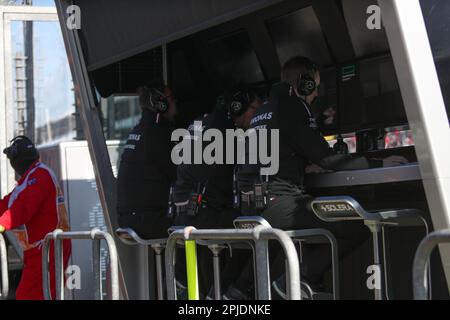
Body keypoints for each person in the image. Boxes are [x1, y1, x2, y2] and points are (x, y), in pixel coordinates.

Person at [230, 56, 407, 299]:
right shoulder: (293, 106)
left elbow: (280, 152)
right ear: (304, 85)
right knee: (359, 225)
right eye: (314, 86)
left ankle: (242, 290)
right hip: (277, 205)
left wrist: (303, 166)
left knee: (316, 223)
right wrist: (379, 162)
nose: (315, 94)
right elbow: (329, 159)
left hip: (252, 206)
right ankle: (298, 279)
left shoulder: (264, 110)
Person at [171, 87, 263, 296]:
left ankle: (216, 292)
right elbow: (249, 168)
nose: (257, 116)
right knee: (257, 227)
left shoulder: (202, 123)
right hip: (202, 217)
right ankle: (231, 292)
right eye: (256, 109)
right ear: (238, 107)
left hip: (185, 215)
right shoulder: (225, 130)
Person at [0, 136, 71, 300]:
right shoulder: (32, 176)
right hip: (41, 249)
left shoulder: (38, 176)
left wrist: (2, 223)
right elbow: (9, 203)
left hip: (48, 248)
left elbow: (23, 208)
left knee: (30, 295)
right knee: (40, 294)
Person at [117, 82, 177, 239]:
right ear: (160, 103)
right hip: (148, 221)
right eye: (171, 98)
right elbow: (178, 174)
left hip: (128, 220)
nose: (175, 102)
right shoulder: (157, 134)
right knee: (197, 227)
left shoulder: (138, 130)